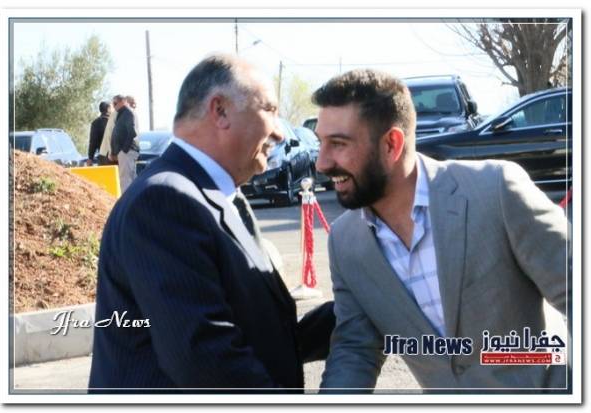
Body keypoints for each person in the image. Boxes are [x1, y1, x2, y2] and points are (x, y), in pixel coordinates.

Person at [89, 54, 334, 392]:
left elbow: (259, 333)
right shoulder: (164, 201)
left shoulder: (219, 196)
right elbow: (204, 357)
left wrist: (360, 314)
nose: (279, 133)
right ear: (220, 111)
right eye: (269, 111)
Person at [313, 69, 569, 391]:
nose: (322, 163)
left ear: (392, 144)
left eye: (338, 144)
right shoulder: (345, 243)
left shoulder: (495, 190)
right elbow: (355, 350)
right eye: (320, 143)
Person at [110, 94, 140, 192]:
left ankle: (126, 201)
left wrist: (124, 150)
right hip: (125, 152)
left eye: (115, 103)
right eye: (113, 104)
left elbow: (132, 132)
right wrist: (115, 152)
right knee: (130, 178)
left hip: (127, 151)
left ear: (122, 102)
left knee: (125, 179)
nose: (113, 106)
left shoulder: (128, 113)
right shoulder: (122, 113)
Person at [87, 101, 111, 166]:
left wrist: (90, 157)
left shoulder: (96, 123)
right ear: (108, 109)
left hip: (103, 156)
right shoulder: (115, 121)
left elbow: (93, 142)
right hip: (117, 156)